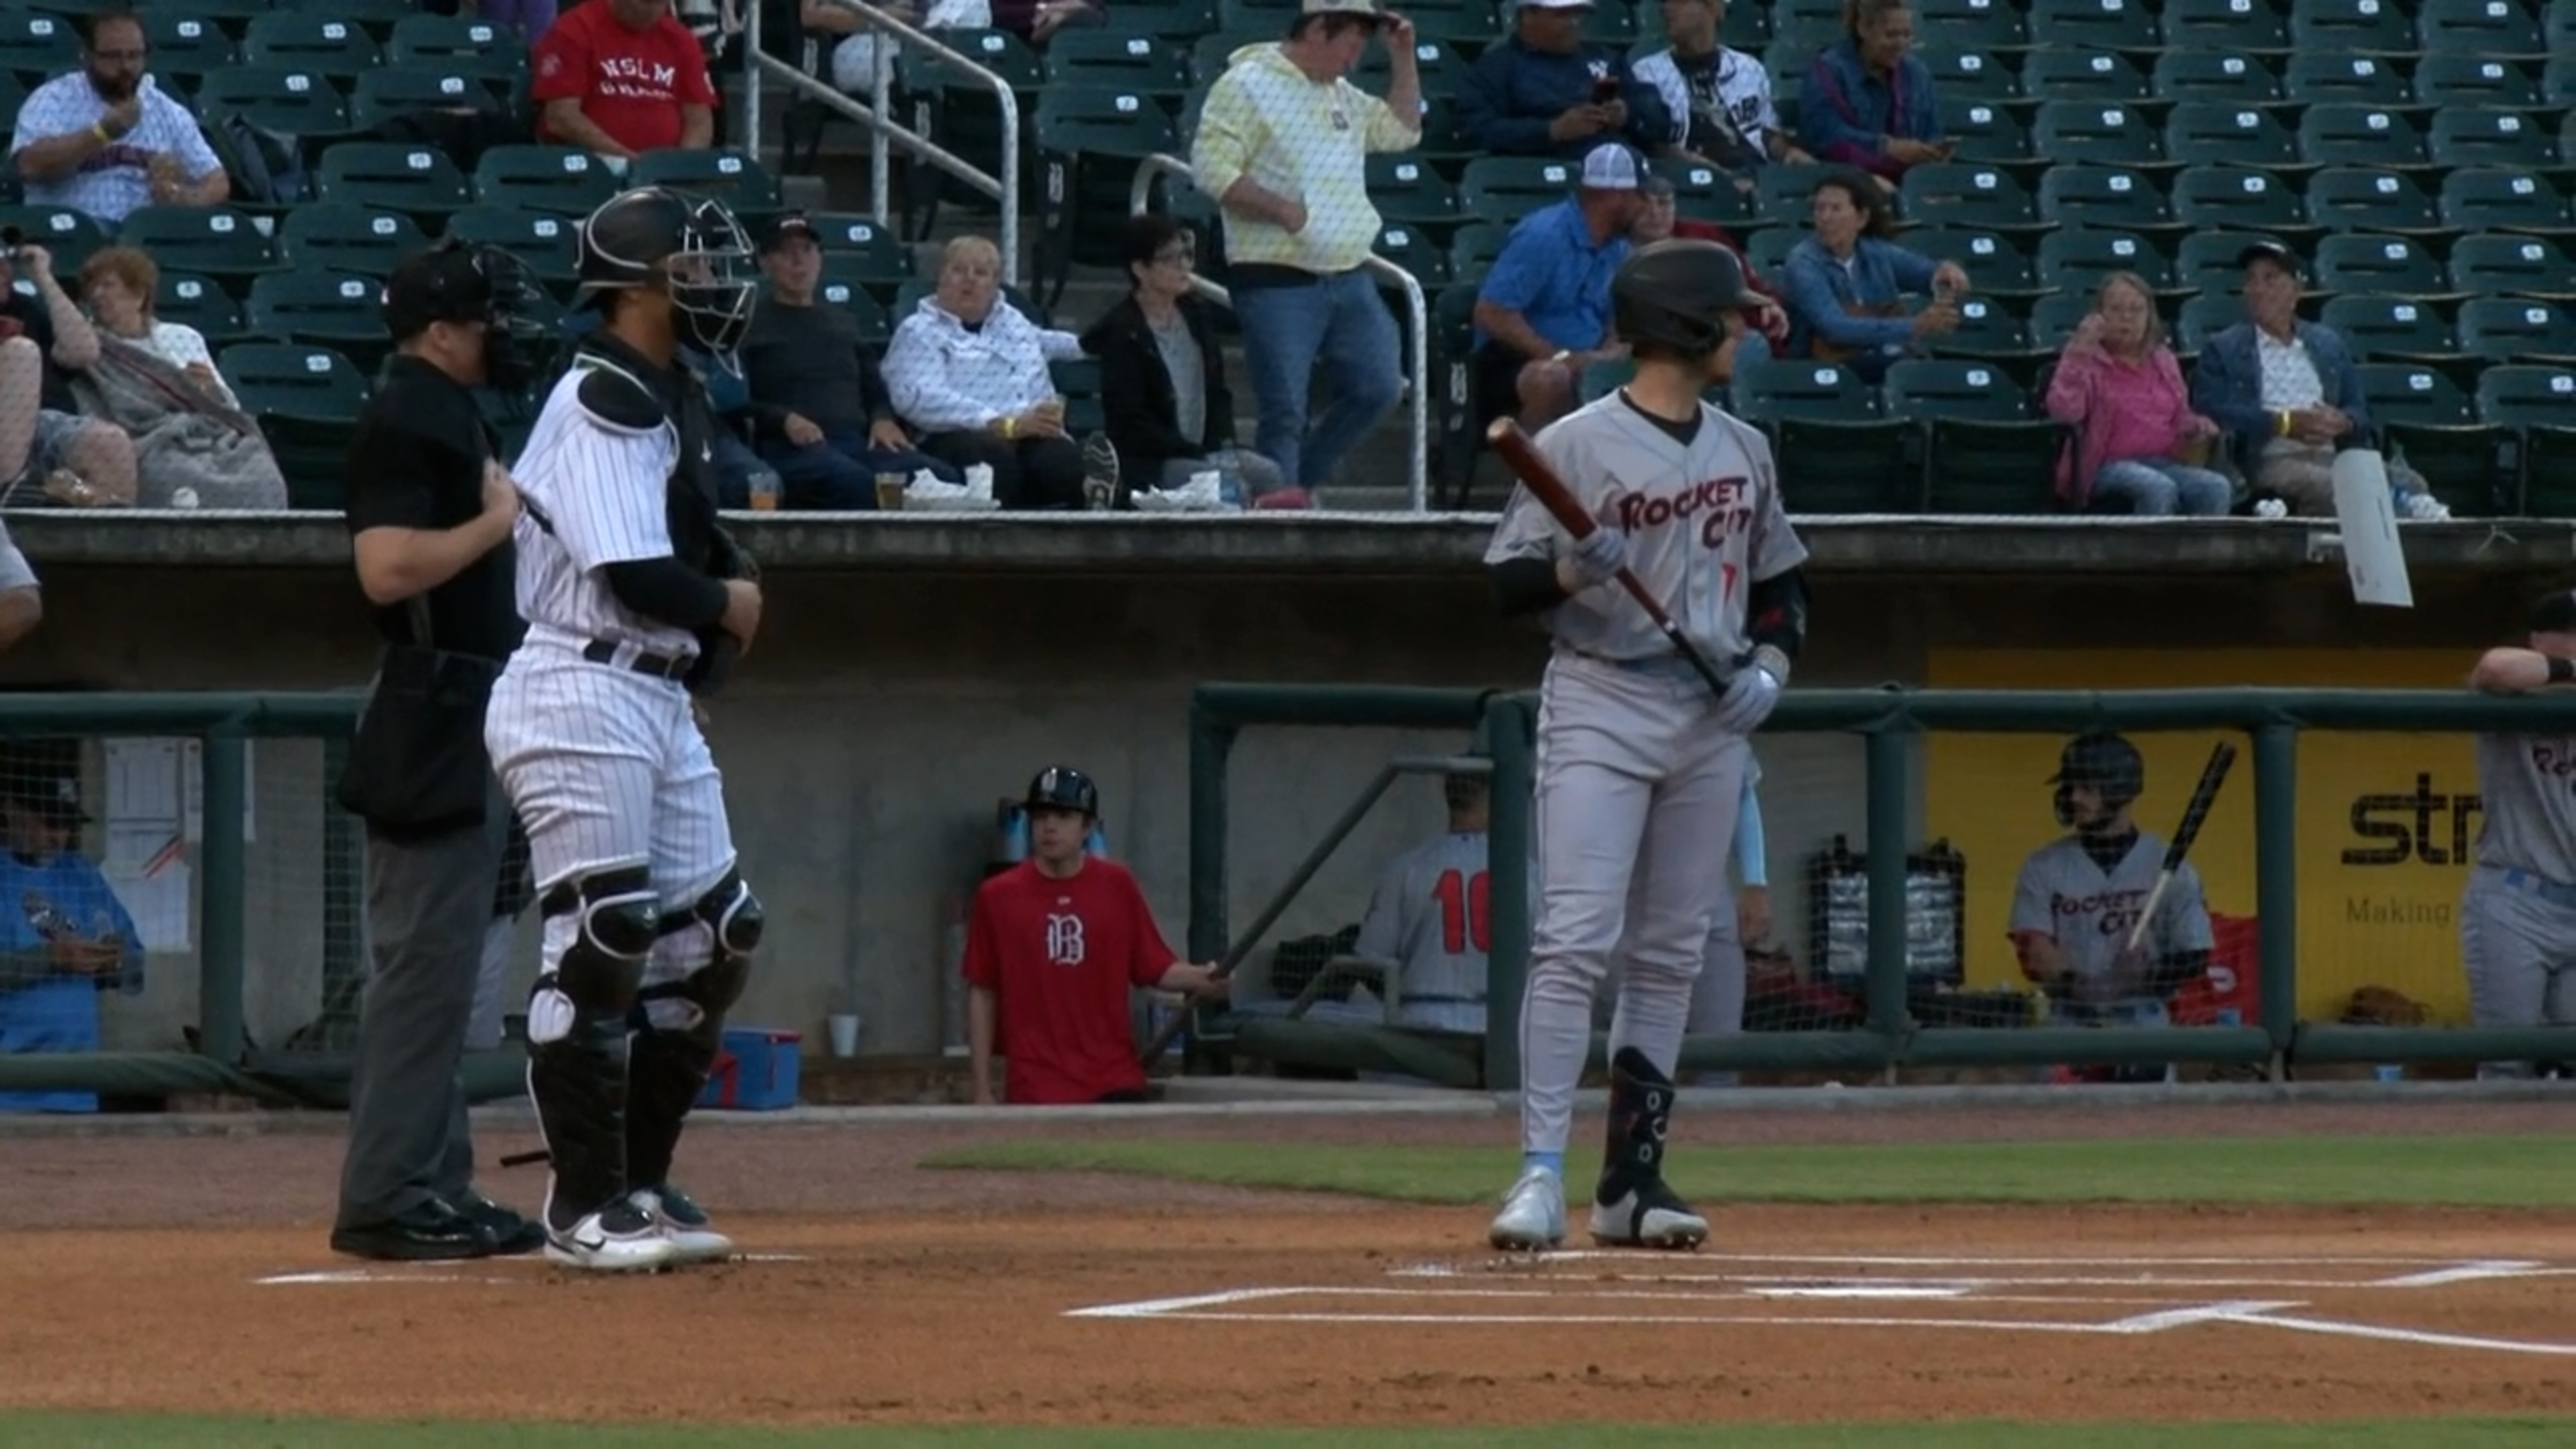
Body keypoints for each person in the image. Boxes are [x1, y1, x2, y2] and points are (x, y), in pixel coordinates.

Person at [1482, 240, 1809, 1251]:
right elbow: (1502, 582)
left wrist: (1770, 666)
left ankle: (1631, 1182)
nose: (1746, 329)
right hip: (1601, 696)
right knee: (1574, 938)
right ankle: (1539, 1172)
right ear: (1686, 326)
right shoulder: (1577, 444)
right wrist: (1577, 575)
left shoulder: (1743, 447)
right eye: (1733, 315)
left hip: (1709, 709)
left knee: (1669, 955)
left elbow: (1782, 585)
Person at [483, 186, 767, 1273]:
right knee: (604, 938)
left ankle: (637, 1184)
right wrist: (728, 607)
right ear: (637, 287)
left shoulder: (672, 392)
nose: (713, 290)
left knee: (716, 936)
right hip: (579, 681)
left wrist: (726, 608)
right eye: (692, 274)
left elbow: (697, 547)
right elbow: (635, 572)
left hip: (649, 691)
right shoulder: (604, 392)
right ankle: (582, 1206)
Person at [329, 241, 550, 1262]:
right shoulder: (409, 409)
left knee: (448, 969)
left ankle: (435, 1184)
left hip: (465, 696)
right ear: (439, 330)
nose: (502, 329)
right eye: (486, 316)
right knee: (424, 972)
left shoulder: (445, 407)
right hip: (432, 701)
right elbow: (384, 569)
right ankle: (387, 1195)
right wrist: (494, 522)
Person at [1191, 0, 1418, 497]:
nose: (1354, 61)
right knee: (1285, 410)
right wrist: (1281, 209)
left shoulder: (1341, 93)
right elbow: (1212, 168)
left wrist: (1404, 58)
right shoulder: (1245, 85)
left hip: (1348, 271)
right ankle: (1283, 509)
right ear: (1319, 30)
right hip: (1276, 275)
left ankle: (1288, 488)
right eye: (1351, 46)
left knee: (1381, 387)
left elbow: (1403, 131)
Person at [962, 767, 1227, 1106]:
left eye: (1063, 816)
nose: (1050, 827)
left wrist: (1204, 978)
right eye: (1041, 816)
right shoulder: (997, 897)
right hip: (1036, 1087)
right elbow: (982, 992)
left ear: (1087, 827)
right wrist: (982, 1090)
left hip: (1113, 1080)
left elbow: (1154, 967)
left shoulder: (1118, 885)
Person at [2007, 733, 2213, 1083]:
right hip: (2067, 1022)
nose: (2075, 798)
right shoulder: (2044, 865)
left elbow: (2195, 954)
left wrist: (2145, 975)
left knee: (2147, 1129)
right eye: (2072, 788)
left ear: (2118, 790)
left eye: (2087, 788)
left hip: (2143, 1019)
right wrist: (2082, 985)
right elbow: (2034, 947)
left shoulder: (2168, 864)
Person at [2189, 241, 2445, 521]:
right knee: (2336, 488)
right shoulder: (2223, 348)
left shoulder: (2327, 343)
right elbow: (2209, 409)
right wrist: (2284, 422)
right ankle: (2399, 510)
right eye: (2251, 280)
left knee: (2412, 481)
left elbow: (2359, 410)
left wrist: (2343, 421)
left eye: (2270, 279)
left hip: (2331, 451)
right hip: (2270, 456)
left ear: (2296, 291)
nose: (2257, 289)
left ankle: (2402, 512)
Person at [735, 211, 953, 509]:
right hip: (791, 448)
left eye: (807, 251)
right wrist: (783, 419)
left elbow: (873, 385)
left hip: (857, 443)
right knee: (855, 483)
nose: (799, 262)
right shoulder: (750, 325)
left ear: (820, 258)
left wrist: (883, 419)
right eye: (786, 253)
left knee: (942, 478)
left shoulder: (842, 322)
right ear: (764, 262)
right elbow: (735, 401)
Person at [1077, 214, 1293, 507]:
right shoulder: (1124, 333)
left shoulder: (1196, 314)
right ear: (1141, 269)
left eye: (1186, 255)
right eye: (1170, 259)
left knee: (1269, 474)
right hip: (1152, 460)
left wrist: (1225, 448)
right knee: (1226, 486)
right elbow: (1132, 422)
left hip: (1201, 451)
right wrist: (1191, 451)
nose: (1185, 267)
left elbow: (1218, 392)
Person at [882, 235, 1110, 510]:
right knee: (994, 459)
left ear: (994, 284)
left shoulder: (1011, 321)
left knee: (1064, 462)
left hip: (1031, 432)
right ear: (941, 278)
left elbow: (1044, 341)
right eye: (959, 270)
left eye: (981, 273)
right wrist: (1000, 423)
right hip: (958, 436)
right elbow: (919, 396)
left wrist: (1096, 345)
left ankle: (1097, 522)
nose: (970, 279)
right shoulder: (919, 331)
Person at [64, 245, 283, 510]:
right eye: (93, 288)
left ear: (139, 295)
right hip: (148, 436)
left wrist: (209, 389)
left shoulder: (181, 337)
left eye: (108, 285)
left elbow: (229, 408)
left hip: (207, 435)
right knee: (171, 473)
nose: (98, 295)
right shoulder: (91, 345)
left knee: (260, 469)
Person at [2460, 591, 2576, 1077]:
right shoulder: (2512, 687)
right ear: (2540, 639)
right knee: (2507, 1065)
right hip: (2515, 901)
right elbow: (2495, 669)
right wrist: (2568, 669)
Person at [1470, 142, 1648, 433]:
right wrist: (1560, 357)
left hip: (1588, 356)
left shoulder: (1619, 248)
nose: (1648, 208)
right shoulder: (1545, 235)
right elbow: (1492, 312)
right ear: (1617, 196)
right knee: (1551, 379)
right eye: (1642, 196)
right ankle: (1531, 475)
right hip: (1515, 359)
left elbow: (1620, 320)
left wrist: (1608, 355)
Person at [0, 751, 141, 1115]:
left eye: (65, 824)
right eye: (48, 823)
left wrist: (113, 960)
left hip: (78, 1087)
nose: (58, 837)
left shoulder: (80, 873)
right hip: (9, 1090)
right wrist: (53, 958)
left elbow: (136, 967)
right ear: (11, 810)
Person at [7, 7, 228, 227]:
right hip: (72, 234)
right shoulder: (53, 99)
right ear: (87, 54)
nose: (126, 67)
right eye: (113, 57)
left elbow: (217, 181)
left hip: (143, 239)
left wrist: (183, 197)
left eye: (134, 56)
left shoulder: (167, 111)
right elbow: (30, 166)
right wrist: (101, 133)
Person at [2044, 272, 2232, 517]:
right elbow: (2064, 413)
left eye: (2136, 310)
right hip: (2104, 465)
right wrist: (2079, 350)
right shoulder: (2086, 358)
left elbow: (2179, 416)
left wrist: (2197, 426)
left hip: (2163, 461)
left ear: (2149, 317)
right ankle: (2149, 556)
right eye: (2117, 309)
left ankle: (2201, 556)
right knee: (2156, 488)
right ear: (2099, 316)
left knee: (2215, 487)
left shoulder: (2163, 360)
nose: (2127, 318)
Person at [1779, 170, 1966, 383]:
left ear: (1861, 218)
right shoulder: (1803, 262)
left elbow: (1925, 272)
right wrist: (1914, 326)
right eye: (1820, 209)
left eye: (1836, 209)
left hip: (1878, 355)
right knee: (1908, 370)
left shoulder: (1875, 252)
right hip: (1822, 367)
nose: (1825, 217)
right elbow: (1834, 328)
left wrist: (1946, 271)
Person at [1348, 766, 1496, 1033]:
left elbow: (1370, 958)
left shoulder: (1407, 867)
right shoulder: (1525, 875)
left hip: (1420, 1022)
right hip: (1498, 1025)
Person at [0, 243, 137, 508]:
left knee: (111, 442)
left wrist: (43, 277)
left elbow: (83, 352)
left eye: (6, 263)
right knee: (22, 353)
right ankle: (9, 489)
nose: (5, 271)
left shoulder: (24, 308)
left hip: (38, 424)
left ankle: (111, 545)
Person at [1457, 0, 1667, 160]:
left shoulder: (1605, 59)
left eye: (1578, 14)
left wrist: (1626, 113)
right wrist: (1553, 130)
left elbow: (1657, 115)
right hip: (1541, 170)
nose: (1574, 23)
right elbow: (1479, 130)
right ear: (1530, 15)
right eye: (1563, 15)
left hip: (1617, 163)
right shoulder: (1496, 67)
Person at [1635, 0, 1810, 188]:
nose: (1667, 9)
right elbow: (1658, 148)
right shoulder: (1649, 73)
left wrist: (1787, 153)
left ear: (1713, 9)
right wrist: (1724, 179)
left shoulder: (1748, 68)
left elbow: (1766, 133)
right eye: (1665, 3)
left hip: (1757, 175)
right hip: (1695, 182)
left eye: (1679, 2)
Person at [532, 0, 718, 161]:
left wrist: (679, 165)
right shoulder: (576, 28)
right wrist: (628, 160)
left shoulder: (680, 39)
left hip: (665, 173)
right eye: (643, 2)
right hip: (593, 163)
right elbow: (561, 118)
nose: (650, 11)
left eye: (659, 3)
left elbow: (699, 119)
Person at [1798, 0, 1948, 191]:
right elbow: (1824, 136)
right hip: (1844, 182)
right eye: (1891, 35)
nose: (1901, 44)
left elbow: (1932, 132)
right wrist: (1888, 147)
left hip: (1911, 185)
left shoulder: (1917, 73)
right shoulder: (1829, 70)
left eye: (1907, 35)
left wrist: (1933, 153)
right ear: (1864, 29)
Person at [1682, 765, 1769, 1082]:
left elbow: (1741, 791)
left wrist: (1755, 881)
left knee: (1721, 1053)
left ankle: (1705, 1133)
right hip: (1623, 902)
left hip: (1708, 897)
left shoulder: (1719, 716)